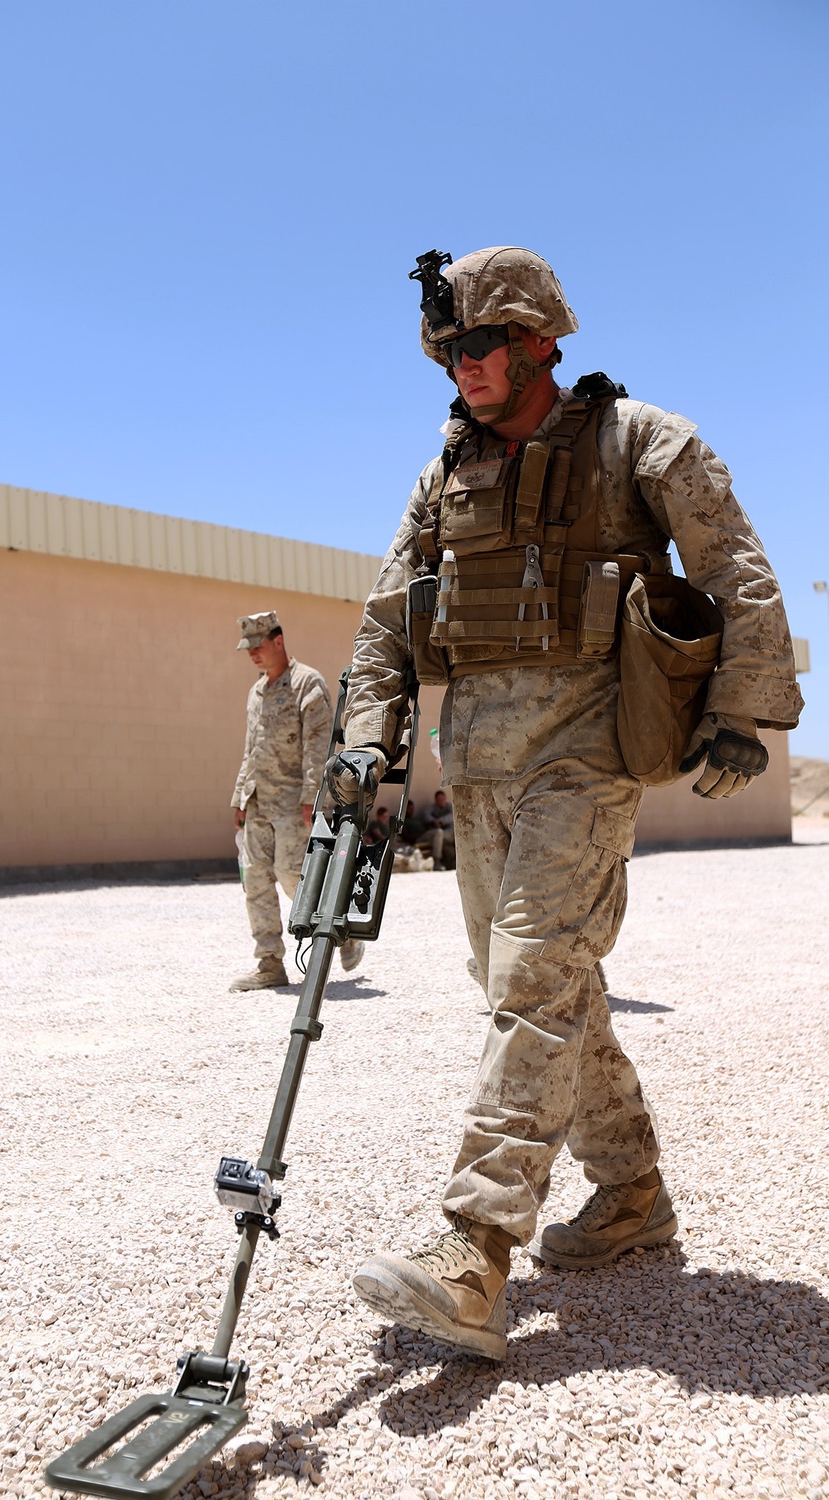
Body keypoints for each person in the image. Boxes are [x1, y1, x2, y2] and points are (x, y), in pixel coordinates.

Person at [332, 246, 802, 1359]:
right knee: (535, 983)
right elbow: (386, 621)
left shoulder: (641, 441)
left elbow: (735, 565)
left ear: (543, 338)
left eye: (484, 343)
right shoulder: (442, 472)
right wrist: (362, 744)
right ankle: (631, 1197)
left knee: (535, 969)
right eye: (449, 350)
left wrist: (743, 706)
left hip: (590, 745)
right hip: (479, 760)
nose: (466, 367)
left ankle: (473, 1251)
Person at [230, 611, 365, 991]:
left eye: (258, 646)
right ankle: (269, 963)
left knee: (295, 879)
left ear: (278, 641)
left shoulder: (307, 683)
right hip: (258, 803)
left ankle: (343, 927)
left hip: (293, 804)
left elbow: (318, 747)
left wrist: (312, 797)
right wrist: (239, 798)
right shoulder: (257, 692)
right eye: (248, 649)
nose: (253, 654)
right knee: (255, 881)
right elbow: (249, 751)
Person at [419, 788, 456, 870]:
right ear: (436, 800)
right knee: (439, 832)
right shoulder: (431, 808)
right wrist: (433, 821)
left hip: (446, 834)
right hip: (432, 834)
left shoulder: (449, 807)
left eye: (443, 799)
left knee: (454, 832)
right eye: (439, 799)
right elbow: (426, 815)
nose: (441, 801)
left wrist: (441, 821)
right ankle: (437, 861)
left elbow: (452, 815)